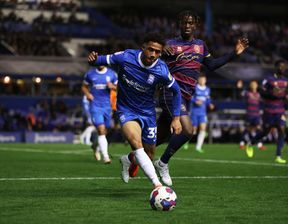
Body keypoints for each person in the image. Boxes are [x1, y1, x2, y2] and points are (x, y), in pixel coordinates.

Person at [130, 10, 248, 186]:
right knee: (188, 130)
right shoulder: (169, 44)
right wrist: (161, 52)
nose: (187, 26)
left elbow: (213, 65)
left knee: (154, 142)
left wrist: (234, 53)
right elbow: (150, 59)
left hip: (186, 97)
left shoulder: (201, 45)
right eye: (184, 23)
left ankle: (132, 157)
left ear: (196, 25)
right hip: (170, 93)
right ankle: (162, 163)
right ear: (179, 24)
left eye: (190, 23)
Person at [87, 32, 182, 189]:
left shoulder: (161, 70)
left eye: (158, 52)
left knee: (149, 154)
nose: (153, 54)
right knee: (136, 143)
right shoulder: (126, 57)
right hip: (126, 110)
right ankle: (157, 186)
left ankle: (128, 159)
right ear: (143, 47)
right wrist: (93, 59)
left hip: (148, 113)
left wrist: (176, 118)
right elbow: (100, 60)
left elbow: (177, 92)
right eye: (150, 49)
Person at [246, 60, 288, 164]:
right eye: (280, 67)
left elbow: (284, 94)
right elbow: (261, 92)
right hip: (269, 110)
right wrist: (272, 94)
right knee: (265, 131)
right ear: (276, 67)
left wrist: (286, 97)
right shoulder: (268, 79)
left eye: (284, 67)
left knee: (282, 130)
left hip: (280, 110)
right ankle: (251, 143)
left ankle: (278, 155)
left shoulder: (285, 80)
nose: (282, 69)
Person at [81, 65, 118, 163]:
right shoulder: (90, 74)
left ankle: (95, 146)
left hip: (107, 106)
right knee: (101, 130)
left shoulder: (112, 74)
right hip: (95, 106)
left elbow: (120, 88)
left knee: (105, 130)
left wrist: (113, 87)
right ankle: (106, 157)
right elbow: (84, 87)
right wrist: (88, 94)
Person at [185, 73, 214, 153]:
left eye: (204, 79)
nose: (202, 81)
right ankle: (185, 142)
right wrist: (195, 101)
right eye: (201, 79)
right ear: (198, 80)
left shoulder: (207, 89)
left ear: (205, 80)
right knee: (193, 130)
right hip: (194, 112)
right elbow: (190, 97)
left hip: (203, 113)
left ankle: (198, 147)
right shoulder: (195, 88)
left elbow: (207, 99)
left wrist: (210, 104)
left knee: (203, 128)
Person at [239, 80, 266, 151]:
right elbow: (241, 93)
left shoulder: (259, 94)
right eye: (252, 84)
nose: (253, 85)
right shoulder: (247, 93)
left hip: (256, 115)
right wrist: (240, 87)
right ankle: (241, 143)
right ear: (250, 86)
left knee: (259, 129)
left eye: (255, 84)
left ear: (257, 85)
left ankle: (259, 145)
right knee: (248, 129)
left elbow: (265, 100)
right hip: (249, 114)